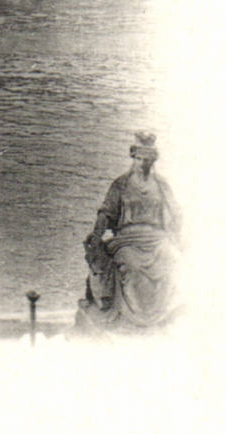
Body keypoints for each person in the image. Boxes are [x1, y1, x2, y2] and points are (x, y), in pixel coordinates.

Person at [77, 132, 182, 332]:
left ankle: (162, 318)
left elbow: (176, 213)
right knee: (132, 267)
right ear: (133, 157)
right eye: (140, 159)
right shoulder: (121, 185)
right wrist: (97, 236)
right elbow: (106, 212)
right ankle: (132, 322)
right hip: (127, 240)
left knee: (172, 260)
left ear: (153, 161)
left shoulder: (161, 185)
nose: (143, 164)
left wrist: (180, 238)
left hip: (156, 238)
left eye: (148, 160)